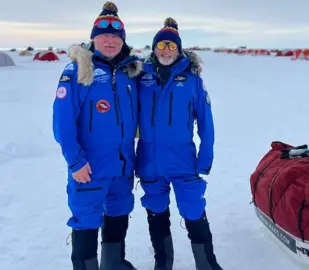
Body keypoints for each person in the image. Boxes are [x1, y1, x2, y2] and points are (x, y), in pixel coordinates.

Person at [52, 2, 142, 269]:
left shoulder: (131, 73)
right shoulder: (77, 71)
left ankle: (113, 265)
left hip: (123, 166)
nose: (110, 40)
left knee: (118, 216)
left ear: (123, 40)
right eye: (104, 35)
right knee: (86, 220)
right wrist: (75, 161)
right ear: (93, 37)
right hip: (89, 167)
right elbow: (62, 124)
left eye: (116, 36)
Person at [136, 17, 223, 270]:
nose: (165, 50)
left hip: (183, 161)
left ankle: (207, 264)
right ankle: (162, 264)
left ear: (179, 49)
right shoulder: (140, 76)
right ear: (154, 48)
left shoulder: (192, 79)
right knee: (156, 216)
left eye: (171, 46)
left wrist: (205, 158)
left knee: (194, 211)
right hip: (149, 162)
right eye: (161, 45)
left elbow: (206, 121)